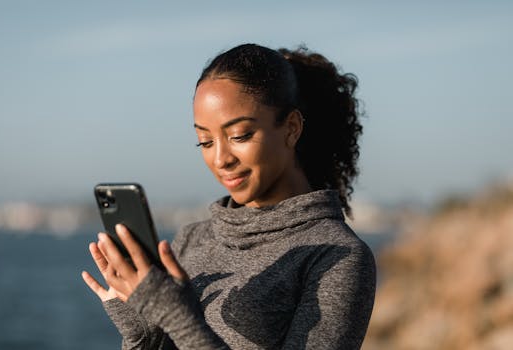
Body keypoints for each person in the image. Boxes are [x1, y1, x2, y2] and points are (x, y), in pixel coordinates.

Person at [82, 43, 376, 349]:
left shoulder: (337, 257)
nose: (221, 159)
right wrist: (141, 333)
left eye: (239, 136)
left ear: (291, 128)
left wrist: (173, 313)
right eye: (205, 142)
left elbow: (182, 324)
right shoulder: (191, 239)